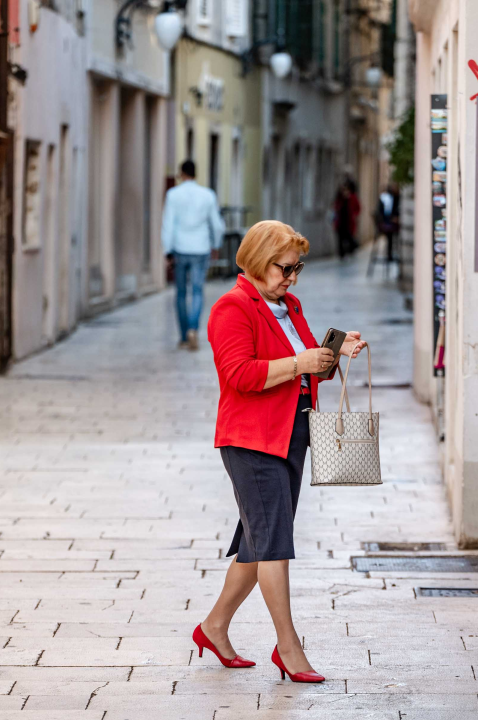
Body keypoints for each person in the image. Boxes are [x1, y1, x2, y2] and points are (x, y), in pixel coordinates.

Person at [193, 220, 367, 683]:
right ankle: (288, 648)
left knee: (258, 540)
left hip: (292, 434)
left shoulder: (289, 305)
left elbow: (307, 368)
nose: (291, 277)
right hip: (251, 441)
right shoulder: (232, 308)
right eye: (284, 268)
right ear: (255, 261)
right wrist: (300, 362)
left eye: (297, 268)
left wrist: (331, 354)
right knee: (273, 543)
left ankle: (213, 628)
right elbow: (241, 376)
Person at [162, 159, 226, 351]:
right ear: (196, 173)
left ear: (181, 174)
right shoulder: (207, 195)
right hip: (200, 248)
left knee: (181, 293)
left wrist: (167, 250)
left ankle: (183, 336)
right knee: (197, 291)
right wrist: (215, 244)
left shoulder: (173, 195)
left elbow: (168, 224)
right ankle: (193, 328)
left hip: (180, 249)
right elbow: (216, 224)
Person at [332, 179, 361, 259]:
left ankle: (351, 250)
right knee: (340, 238)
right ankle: (341, 254)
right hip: (340, 222)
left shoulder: (352, 197)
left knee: (349, 237)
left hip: (349, 222)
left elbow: (357, 208)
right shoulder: (339, 199)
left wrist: (354, 215)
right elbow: (335, 208)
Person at [376, 183, 400, 262]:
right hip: (386, 223)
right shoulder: (384, 198)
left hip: (391, 223)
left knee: (392, 236)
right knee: (390, 235)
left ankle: (391, 254)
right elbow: (380, 212)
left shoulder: (396, 198)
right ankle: (389, 255)